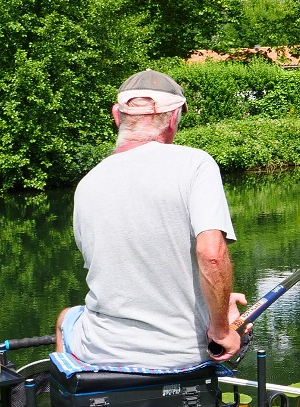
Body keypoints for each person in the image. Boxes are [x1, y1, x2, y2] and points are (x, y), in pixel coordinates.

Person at [56, 70, 247, 368]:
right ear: (172, 119)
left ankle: (79, 399)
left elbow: (120, 276)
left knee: (66, 317)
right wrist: (221, 325)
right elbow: (211, 255)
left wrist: (216, 301)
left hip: (101, 350)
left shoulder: (87, 184)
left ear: (117, 115)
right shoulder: (195, 164)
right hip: (180, 355)